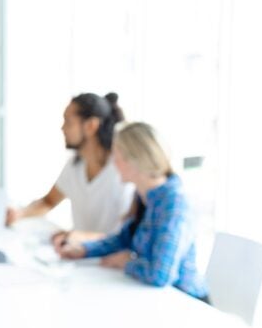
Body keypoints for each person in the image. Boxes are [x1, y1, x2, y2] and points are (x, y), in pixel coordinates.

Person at [56, 122, 209, 300]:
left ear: (135, 160)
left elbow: (160, 275)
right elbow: (123, 239)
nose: (114, 162)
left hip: (185, 301)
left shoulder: (174, 203)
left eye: (117, 155)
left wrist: (125, 262)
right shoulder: (144, 195)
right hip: (154, 296)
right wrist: (84, 250)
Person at [7, 92, 134, 241]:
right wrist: (19, 214)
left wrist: (76, 237)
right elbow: (48, 201)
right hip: (77, 254)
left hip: (108, 258)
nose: (62, 128)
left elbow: (127, 236)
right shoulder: (75, 165)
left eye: (68, 122)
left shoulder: (123, 169)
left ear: (91, 126)